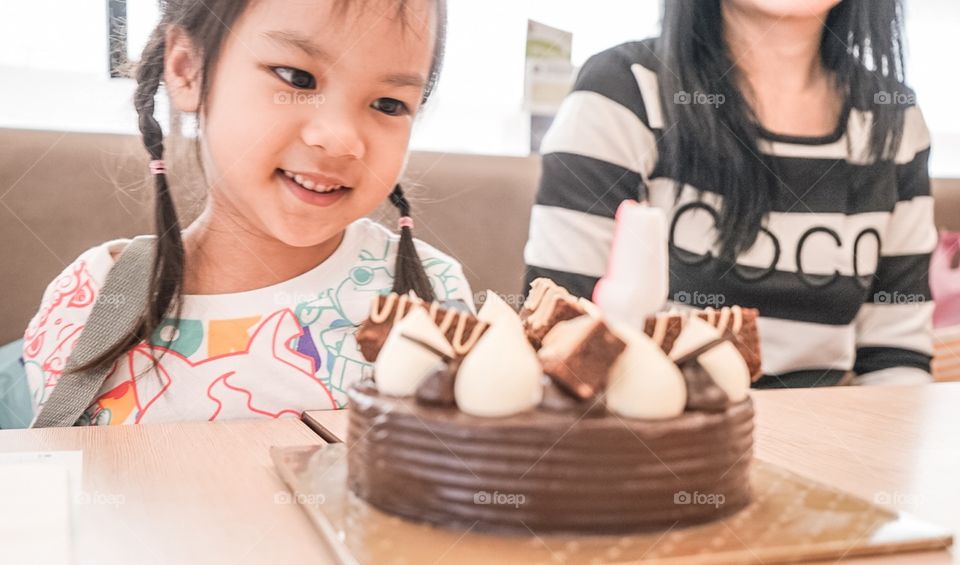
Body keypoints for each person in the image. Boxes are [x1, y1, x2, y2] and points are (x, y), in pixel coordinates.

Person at [22, 0, 472, 425]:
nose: (340, 139)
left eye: (389, 105)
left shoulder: (432, 294)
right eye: (297, 78)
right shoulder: (87, 300)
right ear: (187, 69)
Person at [524, 0, 936, 387]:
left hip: (828, 449)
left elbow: (895, 359)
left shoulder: (895, 119)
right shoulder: (625, 90)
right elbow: (561, 331)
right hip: (658, 444)